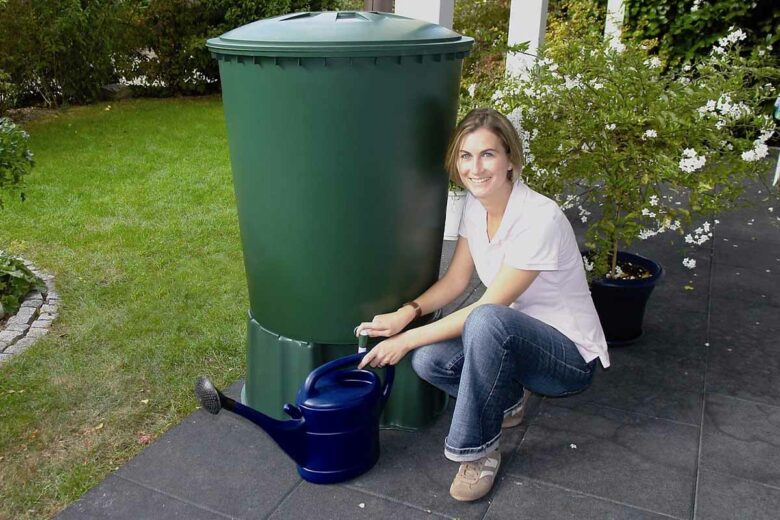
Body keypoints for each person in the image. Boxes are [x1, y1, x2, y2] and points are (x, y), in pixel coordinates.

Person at [355, 108, 609, 502]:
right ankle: (507, 404)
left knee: (487, 319)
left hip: (566, 358)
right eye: (465, 156)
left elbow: (490, 306)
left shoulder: (538, 217)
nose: (476, 167)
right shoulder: (476, 207)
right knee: (430, 361)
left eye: (488, 154)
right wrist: (408, 313)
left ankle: (479, 454)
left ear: (511, 159)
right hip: (515, 338)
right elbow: (456, 281)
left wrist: (404, 341)